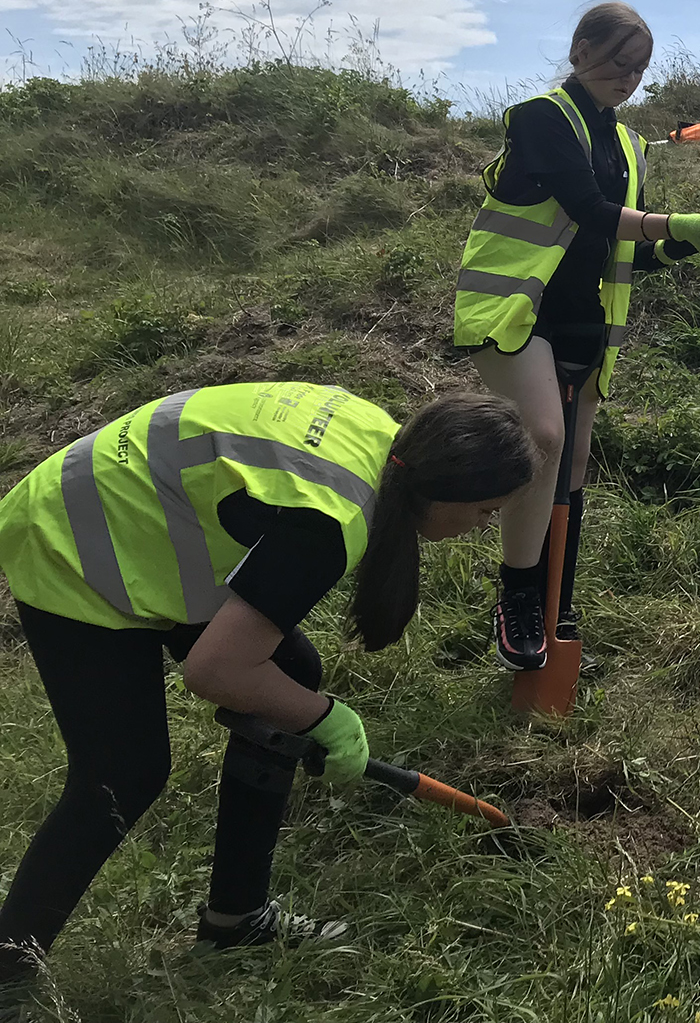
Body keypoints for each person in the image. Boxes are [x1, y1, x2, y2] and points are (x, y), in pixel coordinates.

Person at [0, 383, 538, 979]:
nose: (485, 526)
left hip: (144, 511)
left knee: (291, 676)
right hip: (73, 538)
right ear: (449, 489)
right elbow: (217, 670)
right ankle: (9, 968)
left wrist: (303, 703)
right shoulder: (329, 521)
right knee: (122, 773)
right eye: (487, 512)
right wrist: (326, 718)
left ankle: (236, 919)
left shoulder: (385, 442)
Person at [454, 2, 700, 673]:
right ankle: (518, 599)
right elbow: (587, 211)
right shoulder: (540, 119)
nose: (630, 78)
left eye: (640, 68)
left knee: (574, 463)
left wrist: (686, 250)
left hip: (589, 319)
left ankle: (558, 614)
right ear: (581, 49)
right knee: (544, 439)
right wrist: (676, 223)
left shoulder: (627, 144)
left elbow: (625, 247)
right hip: (514, 313)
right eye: (620, 61)